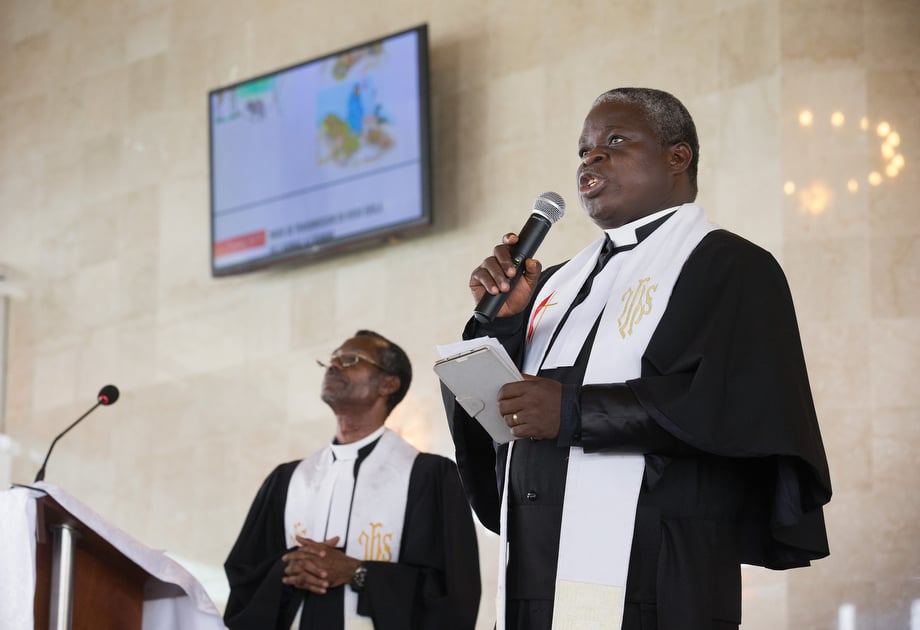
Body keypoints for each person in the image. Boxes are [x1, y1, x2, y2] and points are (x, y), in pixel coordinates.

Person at [442, 88, 832, 630]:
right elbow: (505, 409)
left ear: (679, 157)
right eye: (584, 150)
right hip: (534, 566)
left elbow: (730, 406)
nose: (591, 158)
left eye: (615, 141)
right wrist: (504, 321)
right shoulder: (555, 283)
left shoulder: (731, 266)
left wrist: (575, 412)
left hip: (653, 573)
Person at [225, 330, 481, 630]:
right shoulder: (286, 480)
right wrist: (292, 567)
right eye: (330, 360)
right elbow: (245, 580)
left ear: (388, 383)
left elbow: (452, 595)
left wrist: (358, 573)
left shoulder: (430, 477)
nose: (333, 366)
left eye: (349, 359)